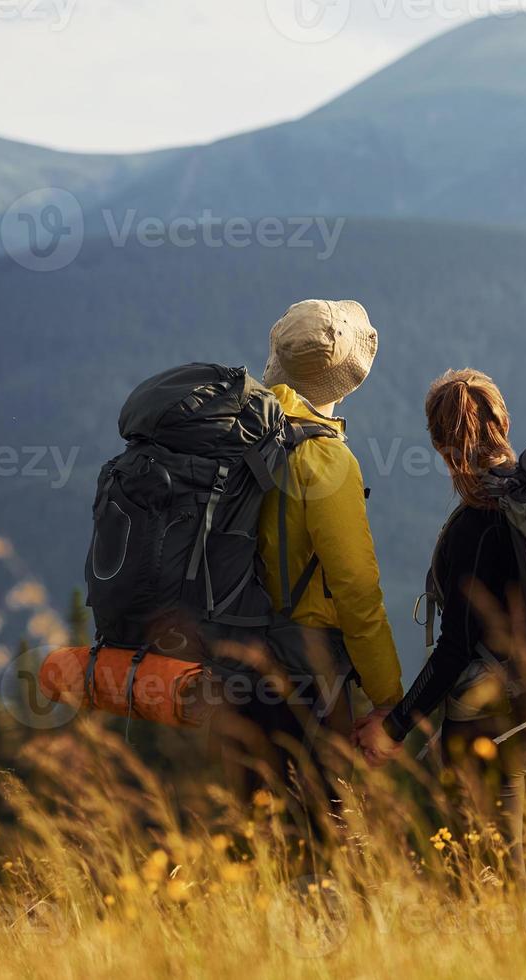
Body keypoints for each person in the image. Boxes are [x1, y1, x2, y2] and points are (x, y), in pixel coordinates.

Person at [354, 368, 526, 881]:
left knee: (490, 881)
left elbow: (456, 647)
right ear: (504, 420)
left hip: (492, 723)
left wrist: (394, 726)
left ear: (440, 445)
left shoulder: (475, 526)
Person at [214, 299, 403, 831]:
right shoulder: (325, 459)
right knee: (332, 836)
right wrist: (389, 698)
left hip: (228, 660)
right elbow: (357, 590)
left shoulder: (236, 435)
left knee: (255, 833)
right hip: (305, 675)